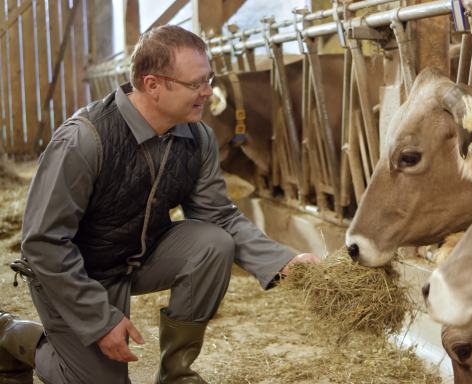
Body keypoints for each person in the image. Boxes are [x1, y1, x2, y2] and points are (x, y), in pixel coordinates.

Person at [0, 25, 319, 384]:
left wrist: (283, 261)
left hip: (134, 256)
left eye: (209, 79)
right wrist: (100, 318)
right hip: (73, 273)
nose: (208, 92)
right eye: (196, 83)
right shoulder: (83, 140)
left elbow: (218, 217)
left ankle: (176, 373)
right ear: (153, 85)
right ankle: (12, 336)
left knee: (214, 244)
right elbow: (43, 243)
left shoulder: (197, 138)